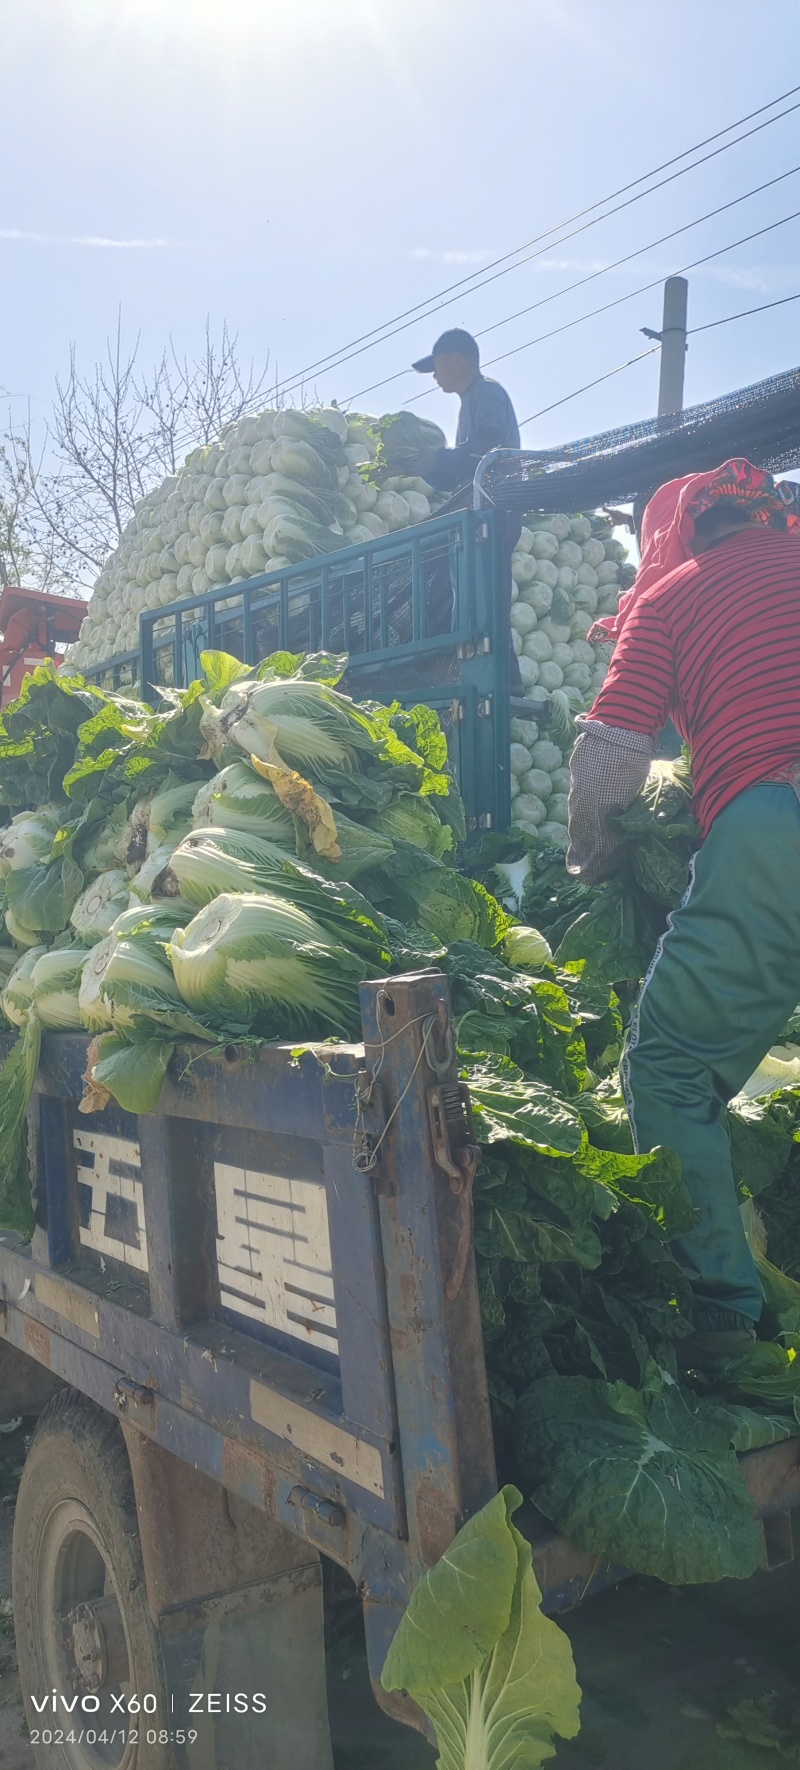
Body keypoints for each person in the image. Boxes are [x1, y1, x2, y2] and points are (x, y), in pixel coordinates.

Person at [567, 458, 800, 1366]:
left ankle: (726, 1322)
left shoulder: (671, 600)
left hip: (773, 822)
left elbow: (614, 751)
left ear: (673, 538)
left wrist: (595, 853)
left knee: (667, 1069)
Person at [397, 328, 523, 686]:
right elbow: (463, 470)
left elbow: (490, 445)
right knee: (469, 595)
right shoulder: (470, 401)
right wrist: (429, 469)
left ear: (455, 358)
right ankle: (461, 671)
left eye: (435, 366)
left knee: (487, 596)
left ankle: (504, 681)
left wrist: (437, 457)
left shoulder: (487, 392)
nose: (434, 375)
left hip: (494, 514)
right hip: (478, 514)